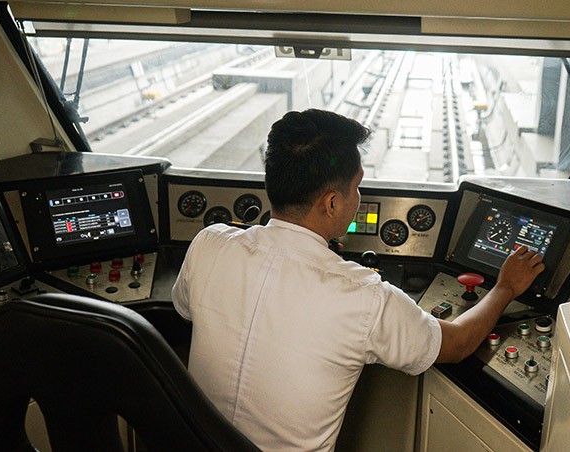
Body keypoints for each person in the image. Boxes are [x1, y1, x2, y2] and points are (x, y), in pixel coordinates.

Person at [172, 109, 544, 451]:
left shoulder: (209, 243)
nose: (359, 198)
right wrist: (506, 287)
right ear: (332, 204)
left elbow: (187, 309)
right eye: (357, 187)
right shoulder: (365, 297)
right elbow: (459, 343)